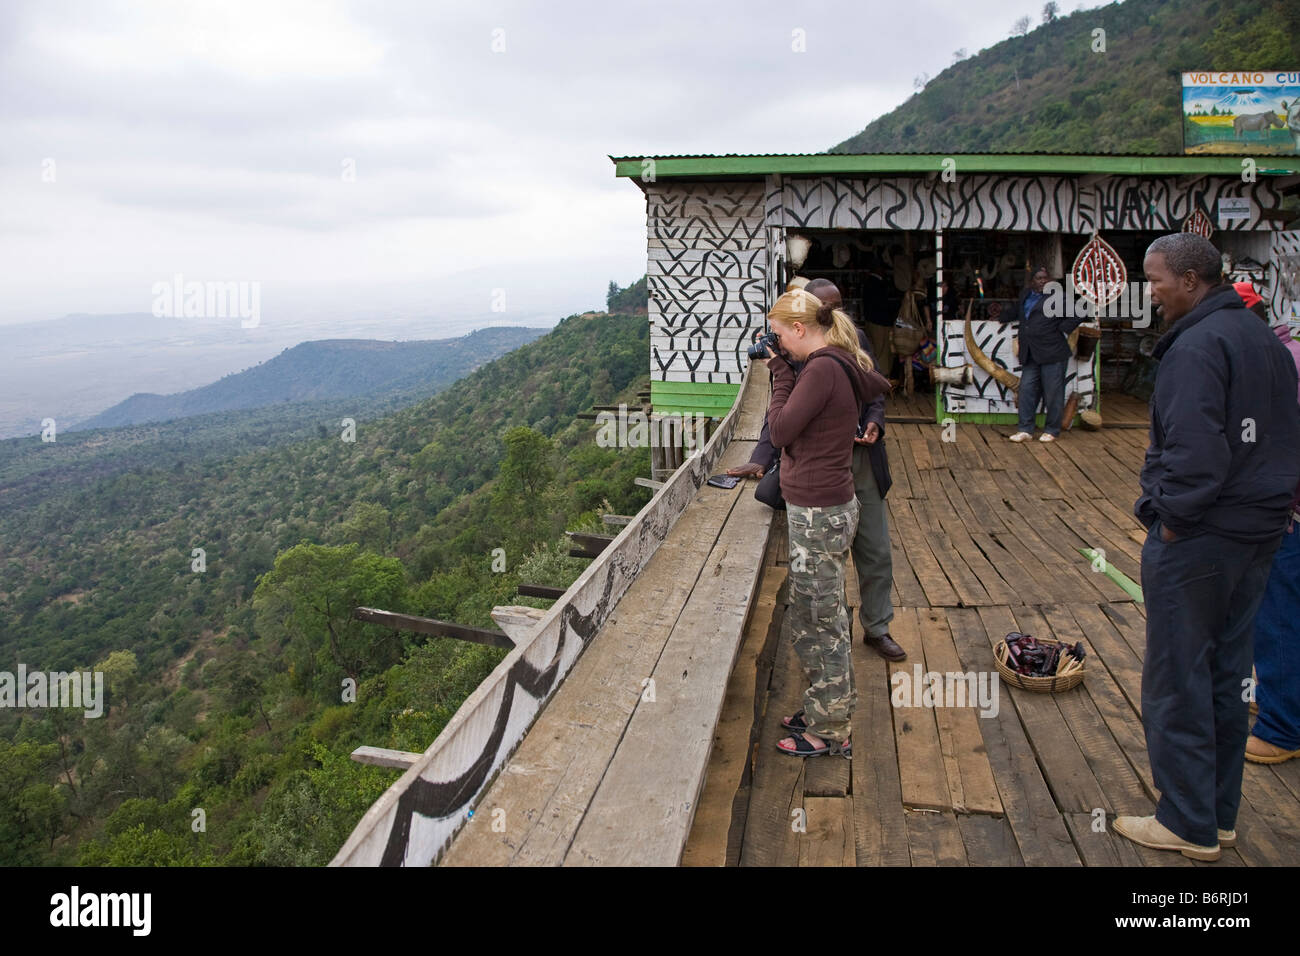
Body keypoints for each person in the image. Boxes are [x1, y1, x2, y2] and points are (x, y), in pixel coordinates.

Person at [1114, 233, 1300, 860]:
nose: (1152, 289)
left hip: (1200, 537)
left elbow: (1195, 455)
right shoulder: (1260, 339)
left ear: (1191, 281)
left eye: (1156, 278)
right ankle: (1217, 815)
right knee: (1225, 675)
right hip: (1260, 532)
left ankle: (1186, 822)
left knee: (1177, 678)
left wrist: (1168, 520)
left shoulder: (1195, 347)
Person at [729, 280, 905, 660]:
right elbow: (782, 413)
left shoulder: (848, 340)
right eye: (827, 307)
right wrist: (761, 457)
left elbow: (872, 388)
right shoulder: (795, 349)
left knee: (874, 551)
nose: (835, 313)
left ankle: (876, 627)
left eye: (837, 306)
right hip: (823, 467)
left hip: (860, 461)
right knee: (828, 567)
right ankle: (834, 632)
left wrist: (875, 422)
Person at [755, 288, 889, 757]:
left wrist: (778, 373)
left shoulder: (822, 369)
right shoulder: (837, 363)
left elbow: (780, 430)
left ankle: (830, 730)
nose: (777, 345)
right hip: (826, 506)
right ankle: (825, 707)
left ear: (798, 329)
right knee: (819, 614)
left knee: (819, 620)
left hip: (819, 513)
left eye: (778, 336)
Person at [1243, 280, 1300, 765]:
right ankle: (1285, 701)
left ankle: (1283, 729)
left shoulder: (1281, 366)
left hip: (1290, 514)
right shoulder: (1289, 353)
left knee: (1279, 617)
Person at [1008, 265, 1084, 443]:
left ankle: (1052, 430)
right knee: (1026, 390)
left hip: (1053, 352)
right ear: (1032, 281)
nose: (1042, 281)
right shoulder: (1026, 295)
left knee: (1053, 393)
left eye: (1045, 278)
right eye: (1039, 278)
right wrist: (1000, 317)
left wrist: (1062, 329)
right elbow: (1018, 313)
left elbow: (1079, 313)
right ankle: (1025, 429)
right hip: (1030, 352)